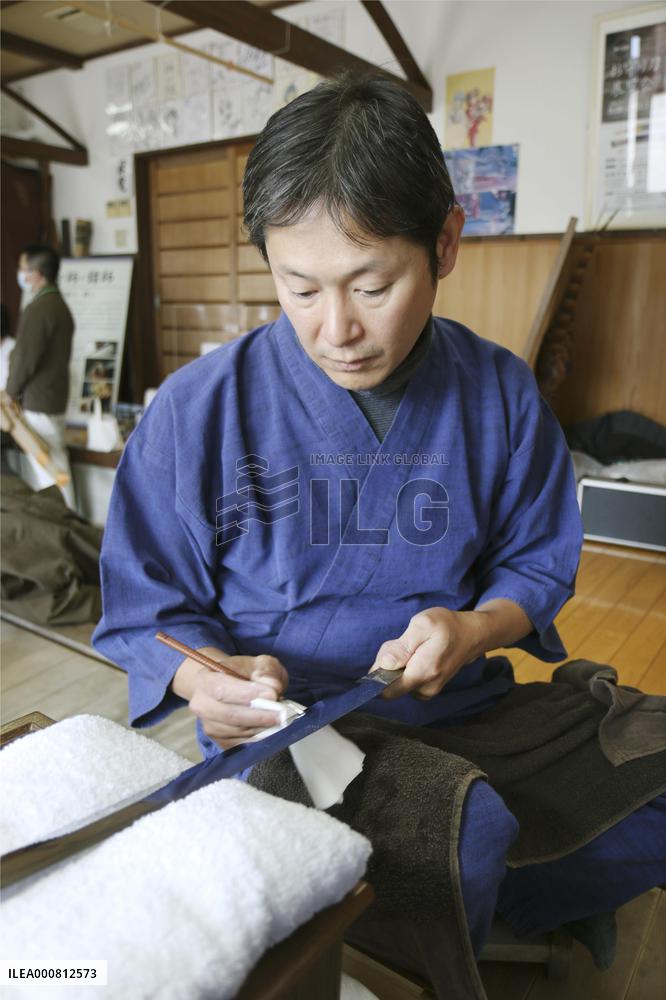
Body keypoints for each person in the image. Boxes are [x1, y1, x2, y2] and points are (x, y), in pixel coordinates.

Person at [92, 76, 665, 997]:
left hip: (466, 707)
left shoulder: (499, 394)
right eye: (300, 287)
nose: (337, 330)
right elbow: (147, 606)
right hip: (296, 733)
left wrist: (476, 629)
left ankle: (511, 897)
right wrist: (206, 677)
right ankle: (493, 900)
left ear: (444, 243)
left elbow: (533, 562)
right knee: (466, 834)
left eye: (372, 284)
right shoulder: (200, 411)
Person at [5, 245, 76, 508]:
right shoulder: (58, 305)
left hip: (39, 401)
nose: (20, 274)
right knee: (56, 464)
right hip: (53, 396)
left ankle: (64, 524)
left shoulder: (40, 309)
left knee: (51, 471)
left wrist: (10, 392)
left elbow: (24, 358)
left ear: (37, 273)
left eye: (23, 269)